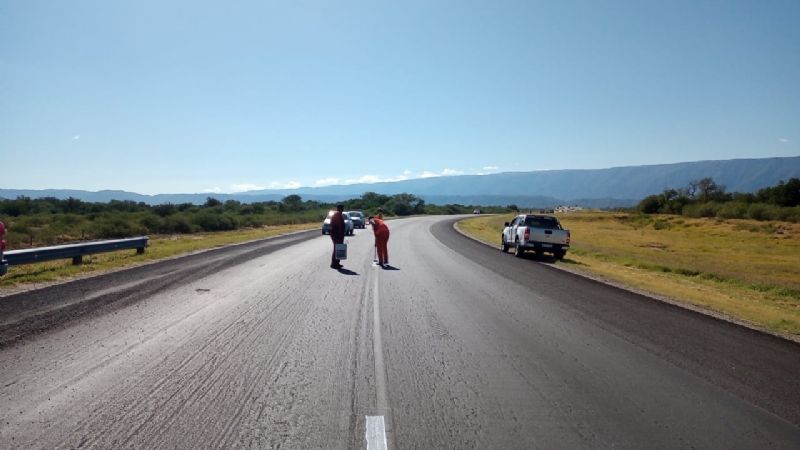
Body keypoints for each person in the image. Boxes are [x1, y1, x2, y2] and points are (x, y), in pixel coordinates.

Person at [329, 204, 346, 269]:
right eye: (342, 208)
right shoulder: (337, 215)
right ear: (339, 209)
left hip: (338, 234)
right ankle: (334, 264)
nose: (343, 209)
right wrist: (340, 234)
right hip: (336, 234)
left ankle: (337, 263)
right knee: (337, 248)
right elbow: (339, 225)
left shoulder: (338, 214)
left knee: (339, 248)